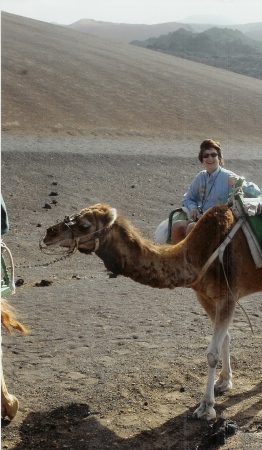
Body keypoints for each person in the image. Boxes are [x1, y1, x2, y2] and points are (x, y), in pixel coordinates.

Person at [171, 139, 239, 244]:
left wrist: (239, 182)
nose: (210, 158)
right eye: (206, 155)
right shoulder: (201, 177)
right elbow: (188, 197)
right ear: (201, 159)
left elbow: (251, 190)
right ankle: (177, 258)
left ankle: (194, 260)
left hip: (220, 221)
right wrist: (193, 207)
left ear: (219, 157)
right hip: (201, 218)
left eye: (213, 154)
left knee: (192, 227)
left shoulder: (228, 176)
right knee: (177, 226)